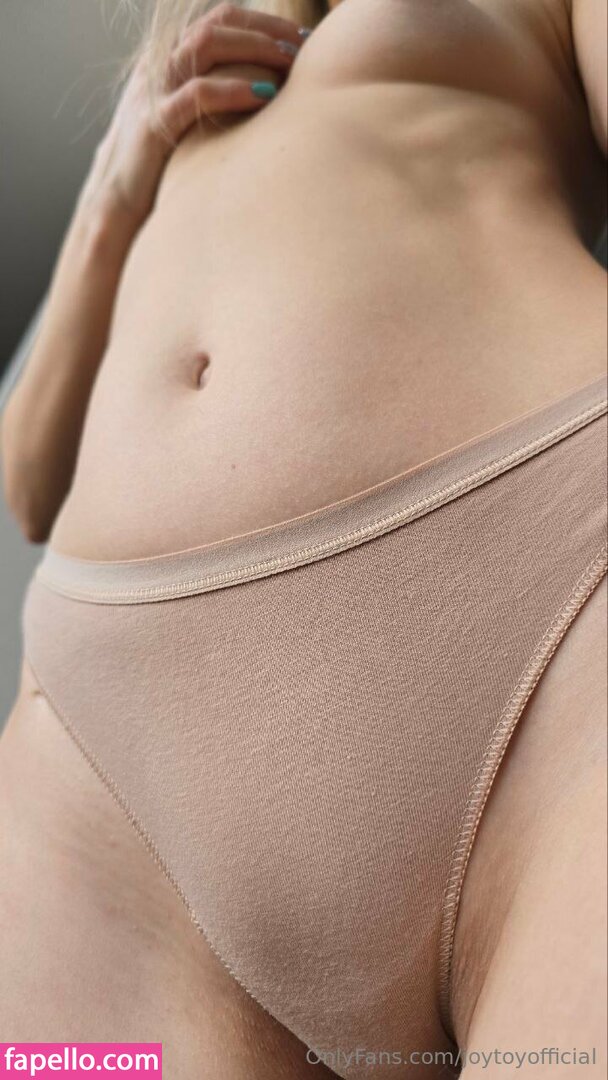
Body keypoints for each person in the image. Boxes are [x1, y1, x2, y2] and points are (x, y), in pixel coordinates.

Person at [0, 0, 606, 1076]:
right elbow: (27, 483)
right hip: (103, 760)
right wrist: (123, 177)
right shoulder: (199, 49)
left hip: (540, 576)